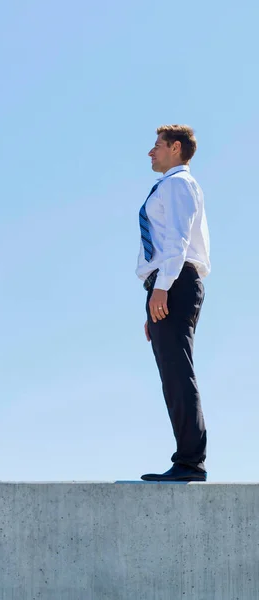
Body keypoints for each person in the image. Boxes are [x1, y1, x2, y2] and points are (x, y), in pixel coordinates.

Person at [136, 125, 210, 482]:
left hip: (175, 281)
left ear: (176, 148)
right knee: (172, 372)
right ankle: (187, 458)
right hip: (167, 284)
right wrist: (155, 294)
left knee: (178, 371)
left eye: (157, 146)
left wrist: (163, 288)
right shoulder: (170, 185)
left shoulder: (178, 184)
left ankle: (190, 461)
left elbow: (177, 240)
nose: (151, 153)